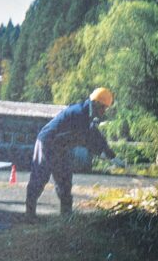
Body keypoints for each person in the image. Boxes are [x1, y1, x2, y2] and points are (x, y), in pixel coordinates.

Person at [25, 87, 117, 219]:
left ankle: (66, 216)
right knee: (40, 178)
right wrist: (103, 154)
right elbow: (87, 138)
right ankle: (29, 214)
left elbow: (95, 135)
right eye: (103, 108)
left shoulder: (87, 114)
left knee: (65, 180)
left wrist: (111, 154)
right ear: (96, 103)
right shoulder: (80, 113)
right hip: (47, 142)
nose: (104, 112)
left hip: (61, 146)